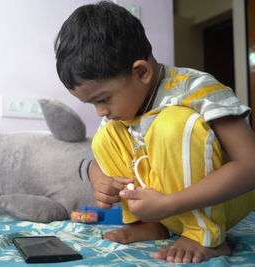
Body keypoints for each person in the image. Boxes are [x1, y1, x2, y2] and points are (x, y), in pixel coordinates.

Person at [54, 1, 255, 264]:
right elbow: (108, 156)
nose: (100, 112)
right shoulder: (122, 110)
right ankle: (148, 223)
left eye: (103, 99)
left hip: (224, 200)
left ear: (141, 72)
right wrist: (98, 176)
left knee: (173, 124)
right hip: (162, 208)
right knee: (106, 135)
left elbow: (250, 166)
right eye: (92, 103)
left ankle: (203, 235)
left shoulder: (197, 89)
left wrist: (170, 204)